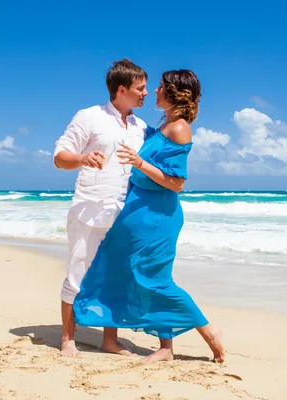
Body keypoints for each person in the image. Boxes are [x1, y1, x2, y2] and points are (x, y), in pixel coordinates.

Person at [72, 69, 225, 363]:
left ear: (174, 92)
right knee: (123, 271)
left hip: (157, 217)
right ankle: (164, 348)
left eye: (159, 87)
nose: (153, 92)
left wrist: (140, 162)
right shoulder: (161, 126)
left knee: (156, 281)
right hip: (137, 212)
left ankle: (209, 333)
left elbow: (177, 182)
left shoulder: (179, 128)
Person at [53, 59, 149, 357]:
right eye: (140, 88)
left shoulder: (141, 127)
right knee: (78, 273)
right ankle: (68, 338)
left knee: (116, 276)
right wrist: (82, 159)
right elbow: (59, 157)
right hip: (89, 210)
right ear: (122, 89)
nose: (145, 93)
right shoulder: (89, 117)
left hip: (123, 214)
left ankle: (110, 340)